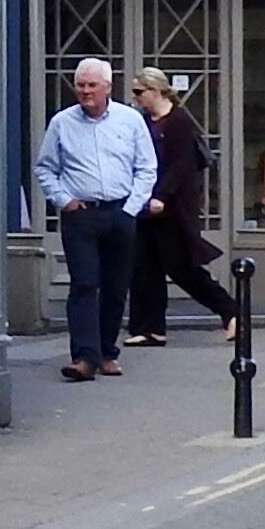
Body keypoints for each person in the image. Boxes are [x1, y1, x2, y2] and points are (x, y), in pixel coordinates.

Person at [32, 56, 156, 380]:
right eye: (80, 85)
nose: (86, 91)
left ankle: (106, 352)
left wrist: (131, 208)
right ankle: (84, 358)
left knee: (115, 287)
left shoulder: (130, 120)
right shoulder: (62, 122)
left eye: (92, 85)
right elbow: (45, 168)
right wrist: (64, 200)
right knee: (85, 284)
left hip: (119, 212)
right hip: (81, 216)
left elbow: (146, 167)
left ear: (108, 87)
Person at [124, 67, 240, 345]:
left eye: (139, 91)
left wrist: (161, 196)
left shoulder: (178, 121)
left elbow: (180, 165)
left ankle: (231, 311)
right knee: (144, 267)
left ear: (156, 90)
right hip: (144, 204)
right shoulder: (142, 122)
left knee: (181, 267)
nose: (135, 97)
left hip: (172, 207)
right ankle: (149, 327)